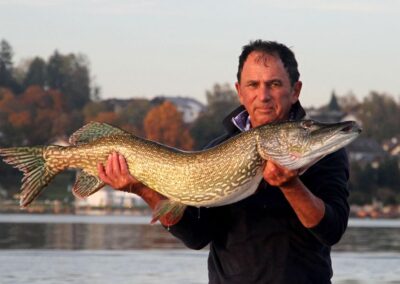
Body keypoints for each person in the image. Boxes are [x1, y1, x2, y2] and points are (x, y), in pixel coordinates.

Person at [97, 40, 350, 284]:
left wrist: (291, 186)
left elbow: (331, 231)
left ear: (295, 91)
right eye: (253, 84)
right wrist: (142, 190)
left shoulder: (323, 152)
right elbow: (196, 236)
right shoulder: (218, 149)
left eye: (274, 84)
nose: (263, 96)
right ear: (240, 92)